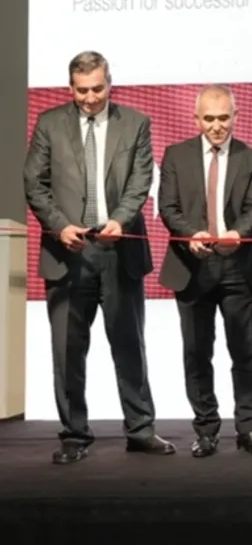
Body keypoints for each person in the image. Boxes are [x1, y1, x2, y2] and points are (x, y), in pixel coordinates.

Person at [23, 50, 175, 465]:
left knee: (129, 345)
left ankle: (140, 429)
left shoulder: (136, 123)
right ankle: (74, 434)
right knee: (67, 351)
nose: (90, 98)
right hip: (67, 252)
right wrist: (59, 225)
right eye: (81, 91)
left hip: (119, 249)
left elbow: (141, 180)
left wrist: (120, 219)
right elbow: (34, 183)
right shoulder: (49, 123)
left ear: (110, 83)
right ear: (70, 88)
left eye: (97, 89)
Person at [156, 84, 252, 457]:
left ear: (236, 116)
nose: (217, 125)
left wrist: (239, 232)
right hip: (191, 266)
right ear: (196, 119)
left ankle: (248, 430)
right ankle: (205, 430)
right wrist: (191, 234)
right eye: (209, 118)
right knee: (196, 352)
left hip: (240, 267)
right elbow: (168, 207)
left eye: (224, 117)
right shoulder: (175, 155)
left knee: (245, 351)